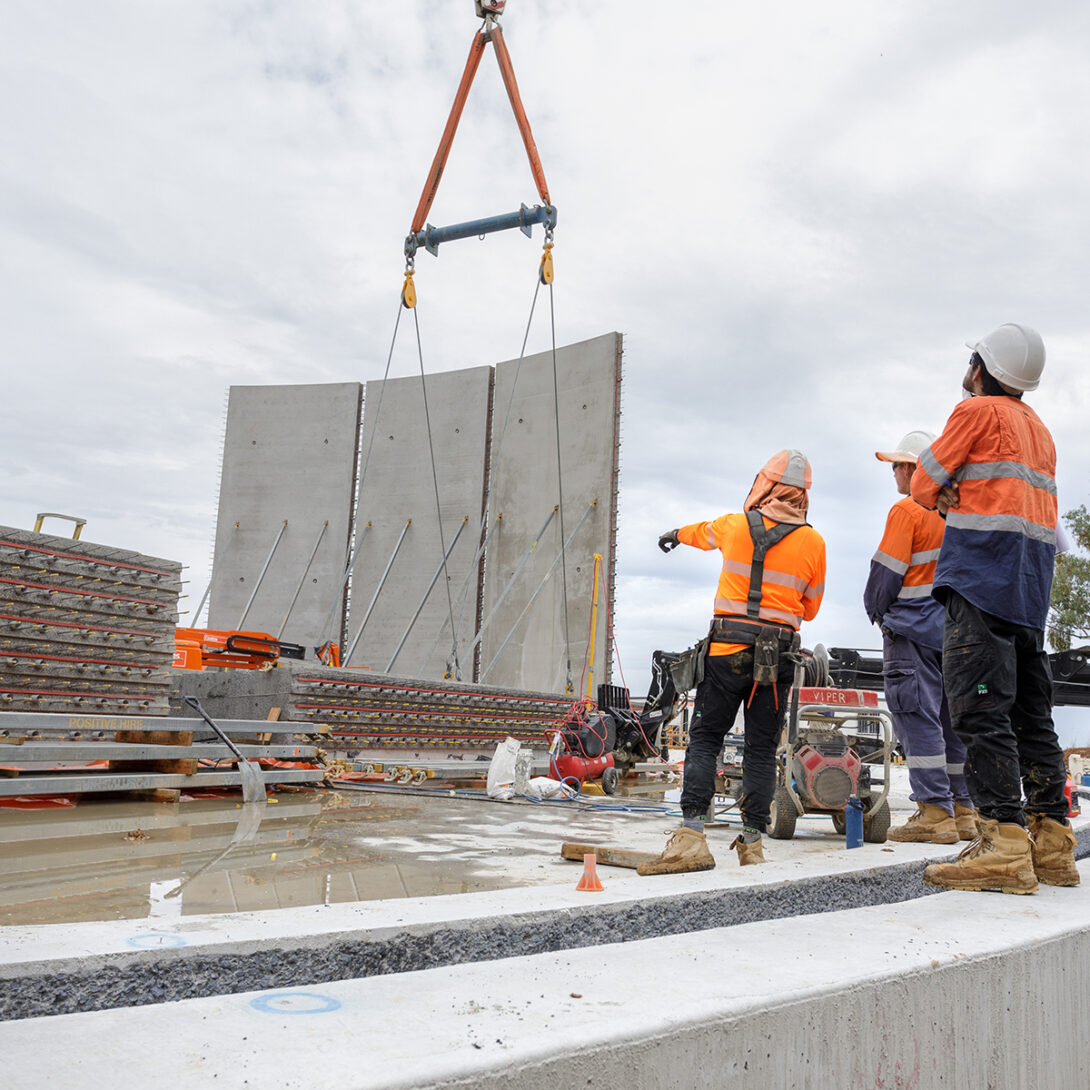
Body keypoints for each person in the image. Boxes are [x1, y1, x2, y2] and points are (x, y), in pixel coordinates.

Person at [910, 323, 1078, 894]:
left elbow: (922, 482)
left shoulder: (976, 411)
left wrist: (944, 491)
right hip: (1028, 592)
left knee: (980, 709)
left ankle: (1003, 844)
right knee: (1032, 715)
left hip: (981, 581)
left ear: (982, 368)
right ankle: (1052, 842)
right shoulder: (1041, 431)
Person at [639, 450, 826, 874]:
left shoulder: (735, 525)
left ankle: (691, 838)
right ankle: (752, 845)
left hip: (726, 653)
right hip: (777, 661)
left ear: (765, 485)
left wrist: (673, 534)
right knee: (761, 750)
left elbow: (701, 532)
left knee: (706, 740)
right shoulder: (814, 542)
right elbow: (811, 609)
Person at [865, 429, 977, 843]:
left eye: (897, 465)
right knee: (952, 722)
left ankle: (934, 812)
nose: (893, 472)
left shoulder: (907, 510)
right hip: (957, 634)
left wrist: (879, 614)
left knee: (917, 718)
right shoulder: (961, 510)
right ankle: (962, 810)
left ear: (914, 469)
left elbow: (885, 577)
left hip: (912, 632)